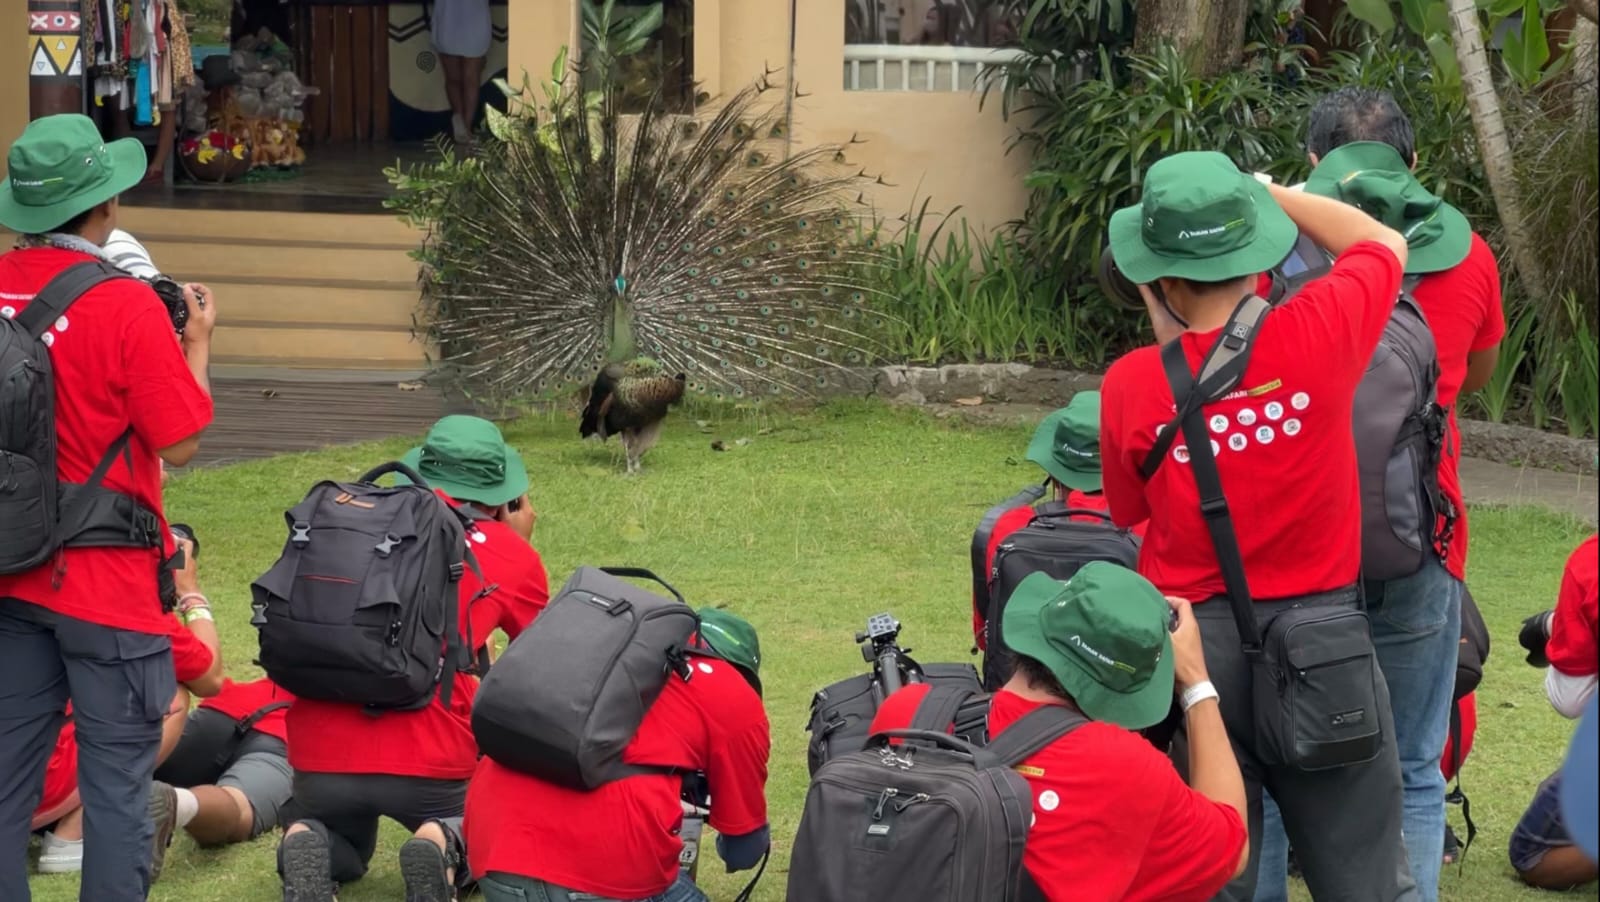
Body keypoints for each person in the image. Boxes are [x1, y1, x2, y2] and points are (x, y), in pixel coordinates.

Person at [1098, 149, 1418, 900]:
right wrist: (1269, 190)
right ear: (1258, 248)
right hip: (1324, 640)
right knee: (1366, 877)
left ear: (1159, 278)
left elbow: (1131, 511)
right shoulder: (1319, 331)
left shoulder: (1129, 387)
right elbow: (1383, 245)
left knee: (1215, 872)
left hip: (1190, 652)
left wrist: (1173, 340)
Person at [1250, 88, 1508, 902]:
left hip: (1293, 546)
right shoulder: (1469, 258)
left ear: (1314, 163)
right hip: (1418, 539)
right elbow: (1477, 377)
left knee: (1272, 763)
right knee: (1413, 768)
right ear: (1416, 163)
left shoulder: (1270, 250)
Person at [0, 113, 215, 902]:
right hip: (109, 587)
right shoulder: (123, 304)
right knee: (119, 789)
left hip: (8, 570)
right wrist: (197, 343)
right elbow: (183, 440)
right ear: (106, 205)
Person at [275, 415, 549, 902]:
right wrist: (518, 546)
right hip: (432, 758)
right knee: (483, 828)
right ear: (503, 494)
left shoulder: (348, 525)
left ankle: (307, 835)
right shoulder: (509, 553)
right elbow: (540, 668)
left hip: (319, 755)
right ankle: (443, 840)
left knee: (346, 845)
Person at [879, 563, 1248, 899]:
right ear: (1123, 687)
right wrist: (1198, 686)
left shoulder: (908, 711)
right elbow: (1232, 846)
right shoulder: (1130, 771)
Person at [463, 608, 771, 902]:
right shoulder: (734, 695)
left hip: (495, 854)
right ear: (743, 672)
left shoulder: (601, 654)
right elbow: (745, 849)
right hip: (607, 875)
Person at [30, 533, 222, 878]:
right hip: (38, 781)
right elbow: (210, 678)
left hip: (15, 770)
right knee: (170, 695)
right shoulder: (124, 602)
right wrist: (190, 592)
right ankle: (72, 834)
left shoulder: (30, 574)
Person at [972, 390, 1147, 652]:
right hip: (1124, 688)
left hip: (1023, 685)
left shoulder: (1008, 528)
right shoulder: (1153, 530)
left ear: (1054, 471)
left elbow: (986, 637)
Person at [1509, 533, 1598, 890]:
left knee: (1532, 855)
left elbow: (1571, 701)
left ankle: (1555, 624)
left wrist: (1562, 632)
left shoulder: (1589, 562)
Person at [150, 677, 294, 857]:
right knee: (239, 805)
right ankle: (178, 804)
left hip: (231, 705)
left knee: (137, 766)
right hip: (290, 734)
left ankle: (116, 788)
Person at [430, 0, 492, 144]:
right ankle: (460, 121)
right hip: (448, 14)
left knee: (471, 78)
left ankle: (465, 127)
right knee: (454, 78)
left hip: (475, 15)